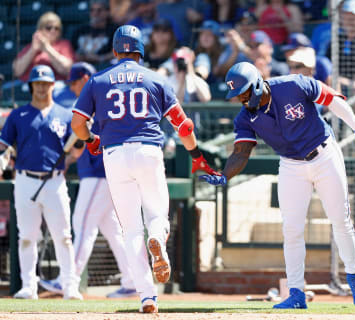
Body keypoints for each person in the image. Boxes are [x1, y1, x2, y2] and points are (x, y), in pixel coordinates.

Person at [199, 61, 355, 309]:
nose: (242, 99)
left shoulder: (293, 84)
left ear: (257, 84)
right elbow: (241, 152)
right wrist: (226, 175)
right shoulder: (245, 118)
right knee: (291, 229)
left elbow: (331, 99)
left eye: (245, 92)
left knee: (340, 219)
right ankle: (296, 293)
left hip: (324, 154)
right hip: (291, 164)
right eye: (238, 95)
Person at [70, 25, 218, 313]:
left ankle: (147, 298)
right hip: (148, 150)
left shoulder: (98, 80)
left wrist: (90, 139)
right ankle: (157, 238)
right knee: (157, 214)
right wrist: (196, 154)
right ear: (140, 49)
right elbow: (184, 125)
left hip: (113, 155)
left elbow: (78, 124)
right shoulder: (156, 79)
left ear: (114, 51)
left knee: (129, 228)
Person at [38, 62, 137, 298]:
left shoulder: (97, 98)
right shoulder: (95, 98)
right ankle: (133, 279)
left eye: (74, 82)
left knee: (82, 224)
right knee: (112, 230)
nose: (72, 87)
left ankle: (67, 279)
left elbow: (89, 133)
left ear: (84, 78)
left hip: (99, 173)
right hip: (103, 172)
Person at [0, 65, 82, 300]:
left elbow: (76, 151)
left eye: (46, 83)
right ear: (32, 86)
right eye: (38, 83)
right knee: (26, 235)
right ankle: (29, 285)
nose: (42, 87)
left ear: (53, 85)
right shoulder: (18, 115)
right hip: (25, 179)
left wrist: (80, 141)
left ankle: (69, 285)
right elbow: (5, 145)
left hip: (55, 181)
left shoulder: (65, 115)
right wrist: (4, 157)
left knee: (63, 235)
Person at [13, 12, 74, 82]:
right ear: (40, 30)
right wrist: (33, 50)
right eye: (49, 28)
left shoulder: (64, 45)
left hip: (54, 84)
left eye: (57, 28)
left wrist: (47, 48)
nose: (53, 31)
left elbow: (67, 70)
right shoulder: (31, 46)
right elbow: (17, 71)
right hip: (29, 83)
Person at [71, 0, 117, 68]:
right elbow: (71, 50)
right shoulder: (80, 30)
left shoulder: (114, 30)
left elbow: (116, 52)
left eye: (99, 10)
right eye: (92, 10)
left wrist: (99, 58)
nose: (95, 13)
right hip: (80, 67)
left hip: (103, 68)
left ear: (107, 12)